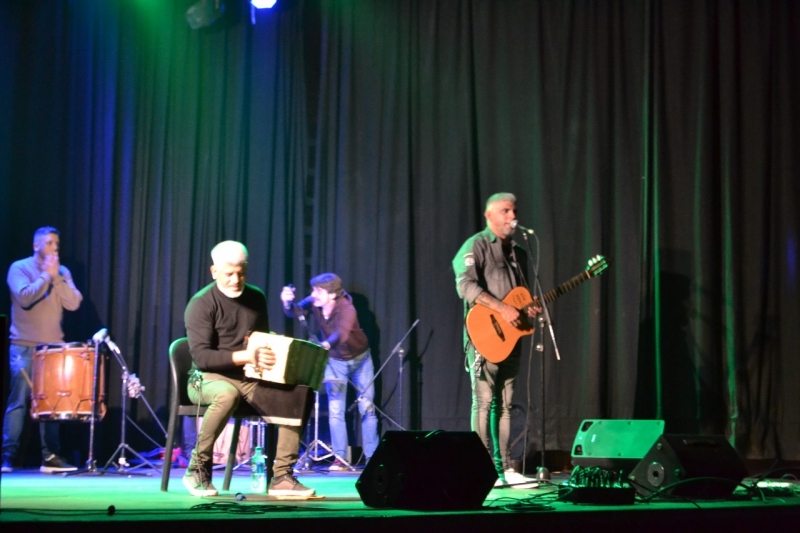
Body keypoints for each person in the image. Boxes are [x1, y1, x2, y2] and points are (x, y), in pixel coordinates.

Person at [183, 240, 315, 497]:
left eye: (241, 272)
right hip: (205, 379)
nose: (236, 279)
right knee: (226, 394)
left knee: (300, 391)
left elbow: (260, 338)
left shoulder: (256, 297)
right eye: (229, 273)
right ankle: (196, 470)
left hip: (249, 376)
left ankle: (282, 477)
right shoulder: (201, 303)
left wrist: (271, 349)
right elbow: (202, 358)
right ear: (214, 272)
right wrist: (247, 355)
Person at [452, 193, 539, 487]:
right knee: (484, 402)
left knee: (506, 403)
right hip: (484, 337)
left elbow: (519, 296)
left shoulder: (518, 252)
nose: (511, 216)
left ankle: (505, 468)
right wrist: (501, 307)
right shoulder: (475, 245)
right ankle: (482, 467)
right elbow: (464, 284)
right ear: (489, 216)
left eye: (513, 210)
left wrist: (529, 309)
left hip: (511, 338)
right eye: (505, 210)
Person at [2, 227, 81, 474]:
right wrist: (46, 277)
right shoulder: (19, 268)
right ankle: (7, 457)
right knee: (19, 402)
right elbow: (25, 297)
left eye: (56, 243)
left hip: (53, 350)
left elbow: (74, 302)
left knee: (52, 404)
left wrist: (56, 277)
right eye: (49, 243)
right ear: (36, 245)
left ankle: (51, 457)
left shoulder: (62, 272)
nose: (55, 247)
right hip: (24, 347)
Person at [280, 273, 378, 471]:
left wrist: (324, 345)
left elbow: (341, 334)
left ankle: (373, 459)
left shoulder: (347, 308)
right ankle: (341, 459)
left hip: (360, 361)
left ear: (332, 295)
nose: (313, 294)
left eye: (318, 291)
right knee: (335, 410)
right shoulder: (315, 302)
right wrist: (287, 303)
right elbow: (295, 311)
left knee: (367, 408)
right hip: (335, 362)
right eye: (313, 290)